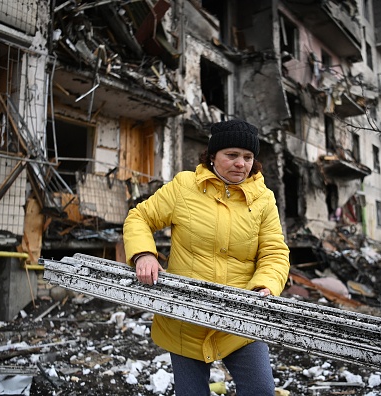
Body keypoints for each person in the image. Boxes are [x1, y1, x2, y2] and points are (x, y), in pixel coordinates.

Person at [123, 119, 291, 396]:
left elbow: (274, 251)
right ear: (213, 156)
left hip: (240, 316)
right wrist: (144, 254)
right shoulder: (184, 186)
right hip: (185, 316)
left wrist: (267, 285)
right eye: (232, 155)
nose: (241, 163)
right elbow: (139, 217)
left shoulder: (264, 199)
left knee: (261, 390)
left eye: (248, 157)